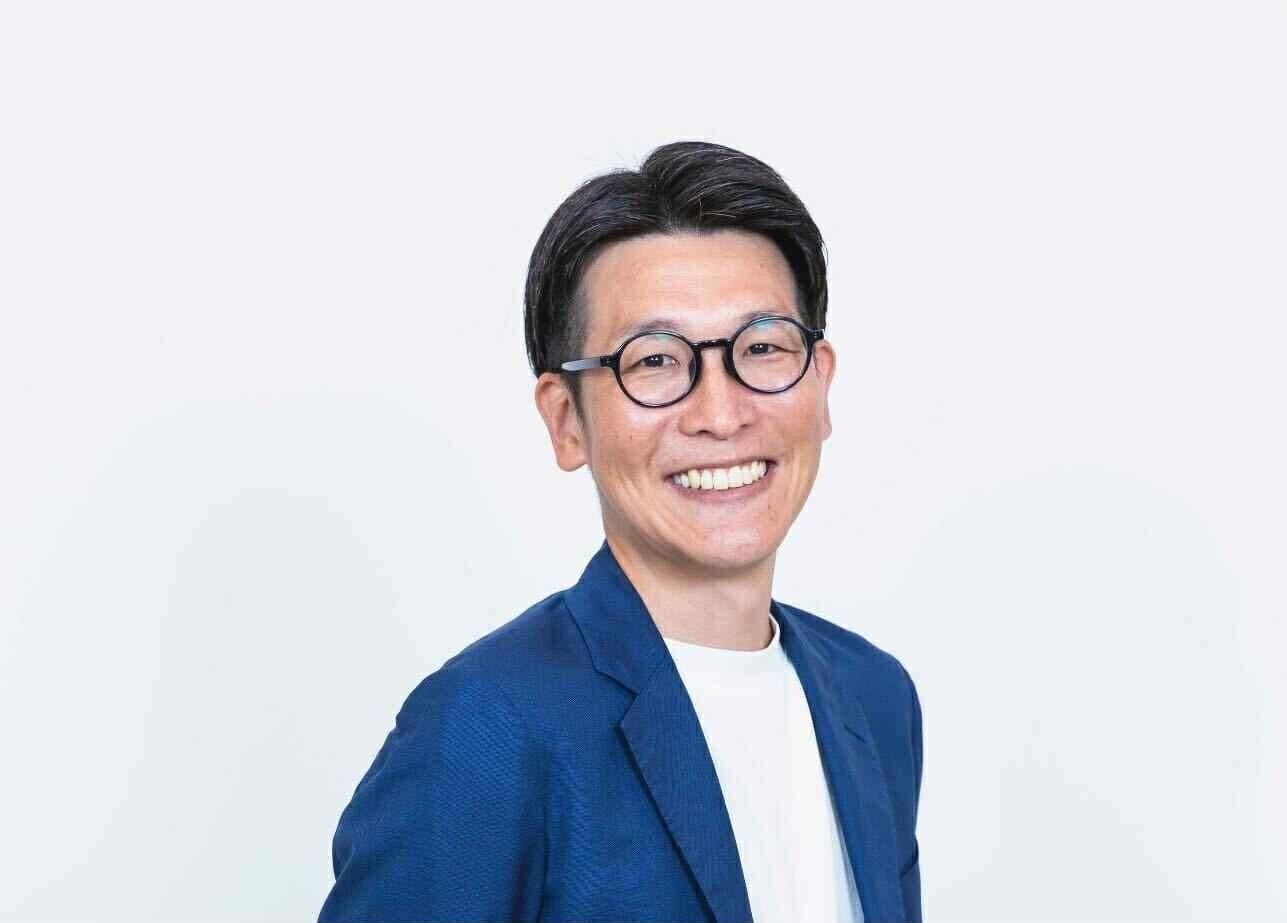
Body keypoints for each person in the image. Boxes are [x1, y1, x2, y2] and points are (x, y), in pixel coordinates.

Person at [318, 140, 924, 923]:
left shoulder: (874, 698)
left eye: (762, 347)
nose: (720, 413)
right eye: (656, 361)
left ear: (820, 382)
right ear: (566, 420)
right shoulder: (484, 727)